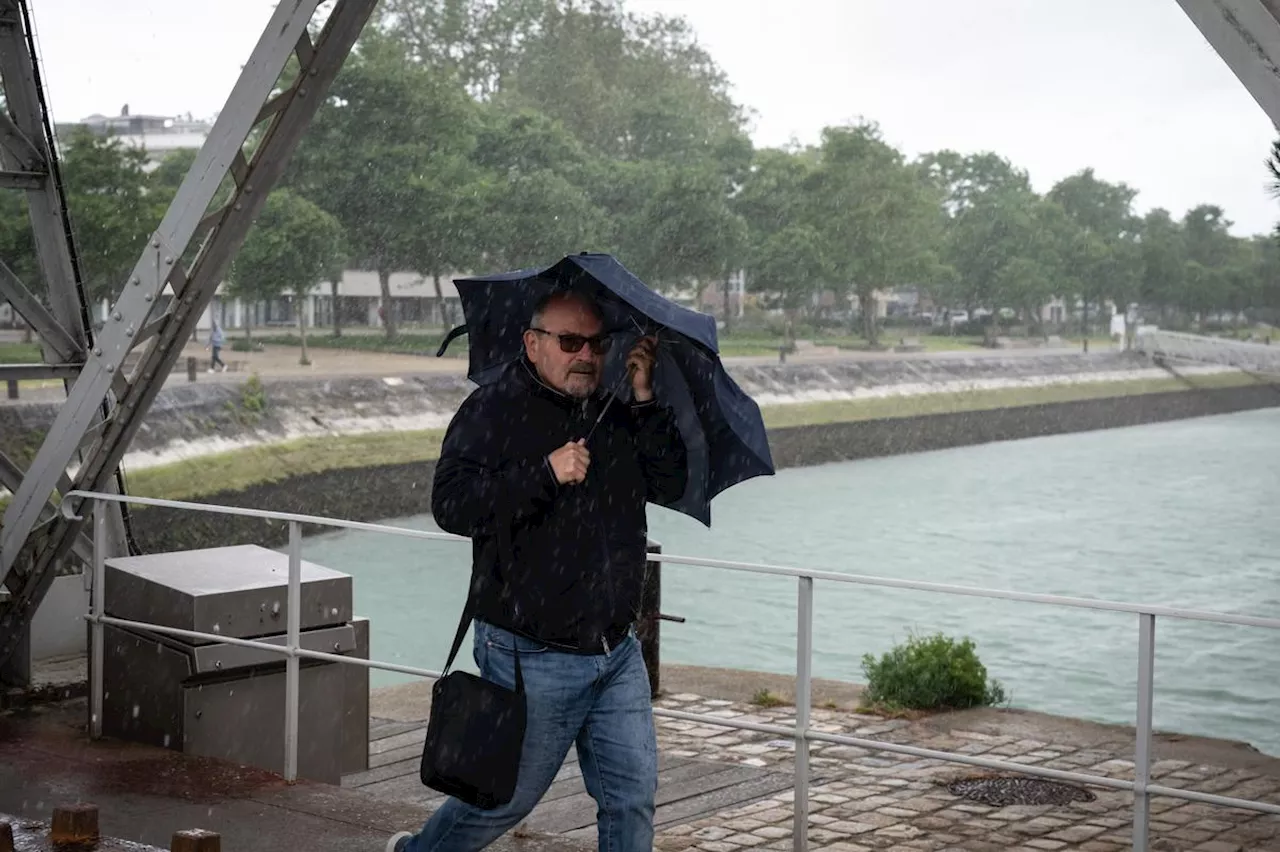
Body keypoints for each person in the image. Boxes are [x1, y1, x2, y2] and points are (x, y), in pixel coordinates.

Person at [388, 291, 688, 852]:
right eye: (570, 342)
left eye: (597, 344)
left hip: (616, 652)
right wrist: (544, 474)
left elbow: (670, 484)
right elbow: (451, 505)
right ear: (532, 343)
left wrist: (645, 398)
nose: (586, 356)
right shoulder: (492, 409)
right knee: (502, 801)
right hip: (531, 654)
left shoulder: (617, 413)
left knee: (631, 800)